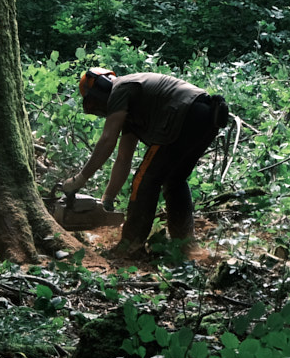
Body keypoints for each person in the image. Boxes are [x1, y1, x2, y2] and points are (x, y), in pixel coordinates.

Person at [61, 68, 228, 256]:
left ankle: (130, 245)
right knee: (175, 180)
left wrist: (79, 180)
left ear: (101, 87)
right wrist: (107, 200)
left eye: (95, 101)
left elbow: (107, 140)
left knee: (145, 180)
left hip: (183, 113)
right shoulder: (131, 107)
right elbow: (123, 158)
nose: (99, 107)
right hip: (206, 116)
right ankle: (184, 245)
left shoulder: (120, 89)